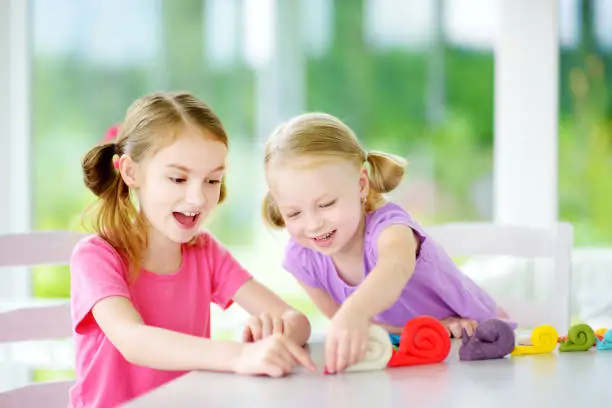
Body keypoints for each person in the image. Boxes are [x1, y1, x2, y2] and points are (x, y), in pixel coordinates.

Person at [70, 91, 314, 408]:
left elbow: (297, 320)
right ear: (131, 172)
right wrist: (241, 355)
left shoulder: (205, 252)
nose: (198, 199)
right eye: (178, 178)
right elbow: (133, 340)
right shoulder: (97, 256)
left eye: (212, 181)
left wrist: (275, 334)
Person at [261, 112, 511, 374]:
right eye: (294, 213)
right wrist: (421, 331)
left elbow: (394, 269)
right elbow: (351, 324)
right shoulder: (301, 257)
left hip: (476, 343)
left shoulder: (391, 228)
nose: (313, 225)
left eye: (326, 204)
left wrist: (354, 312)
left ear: (360, 185)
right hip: (409, 353)